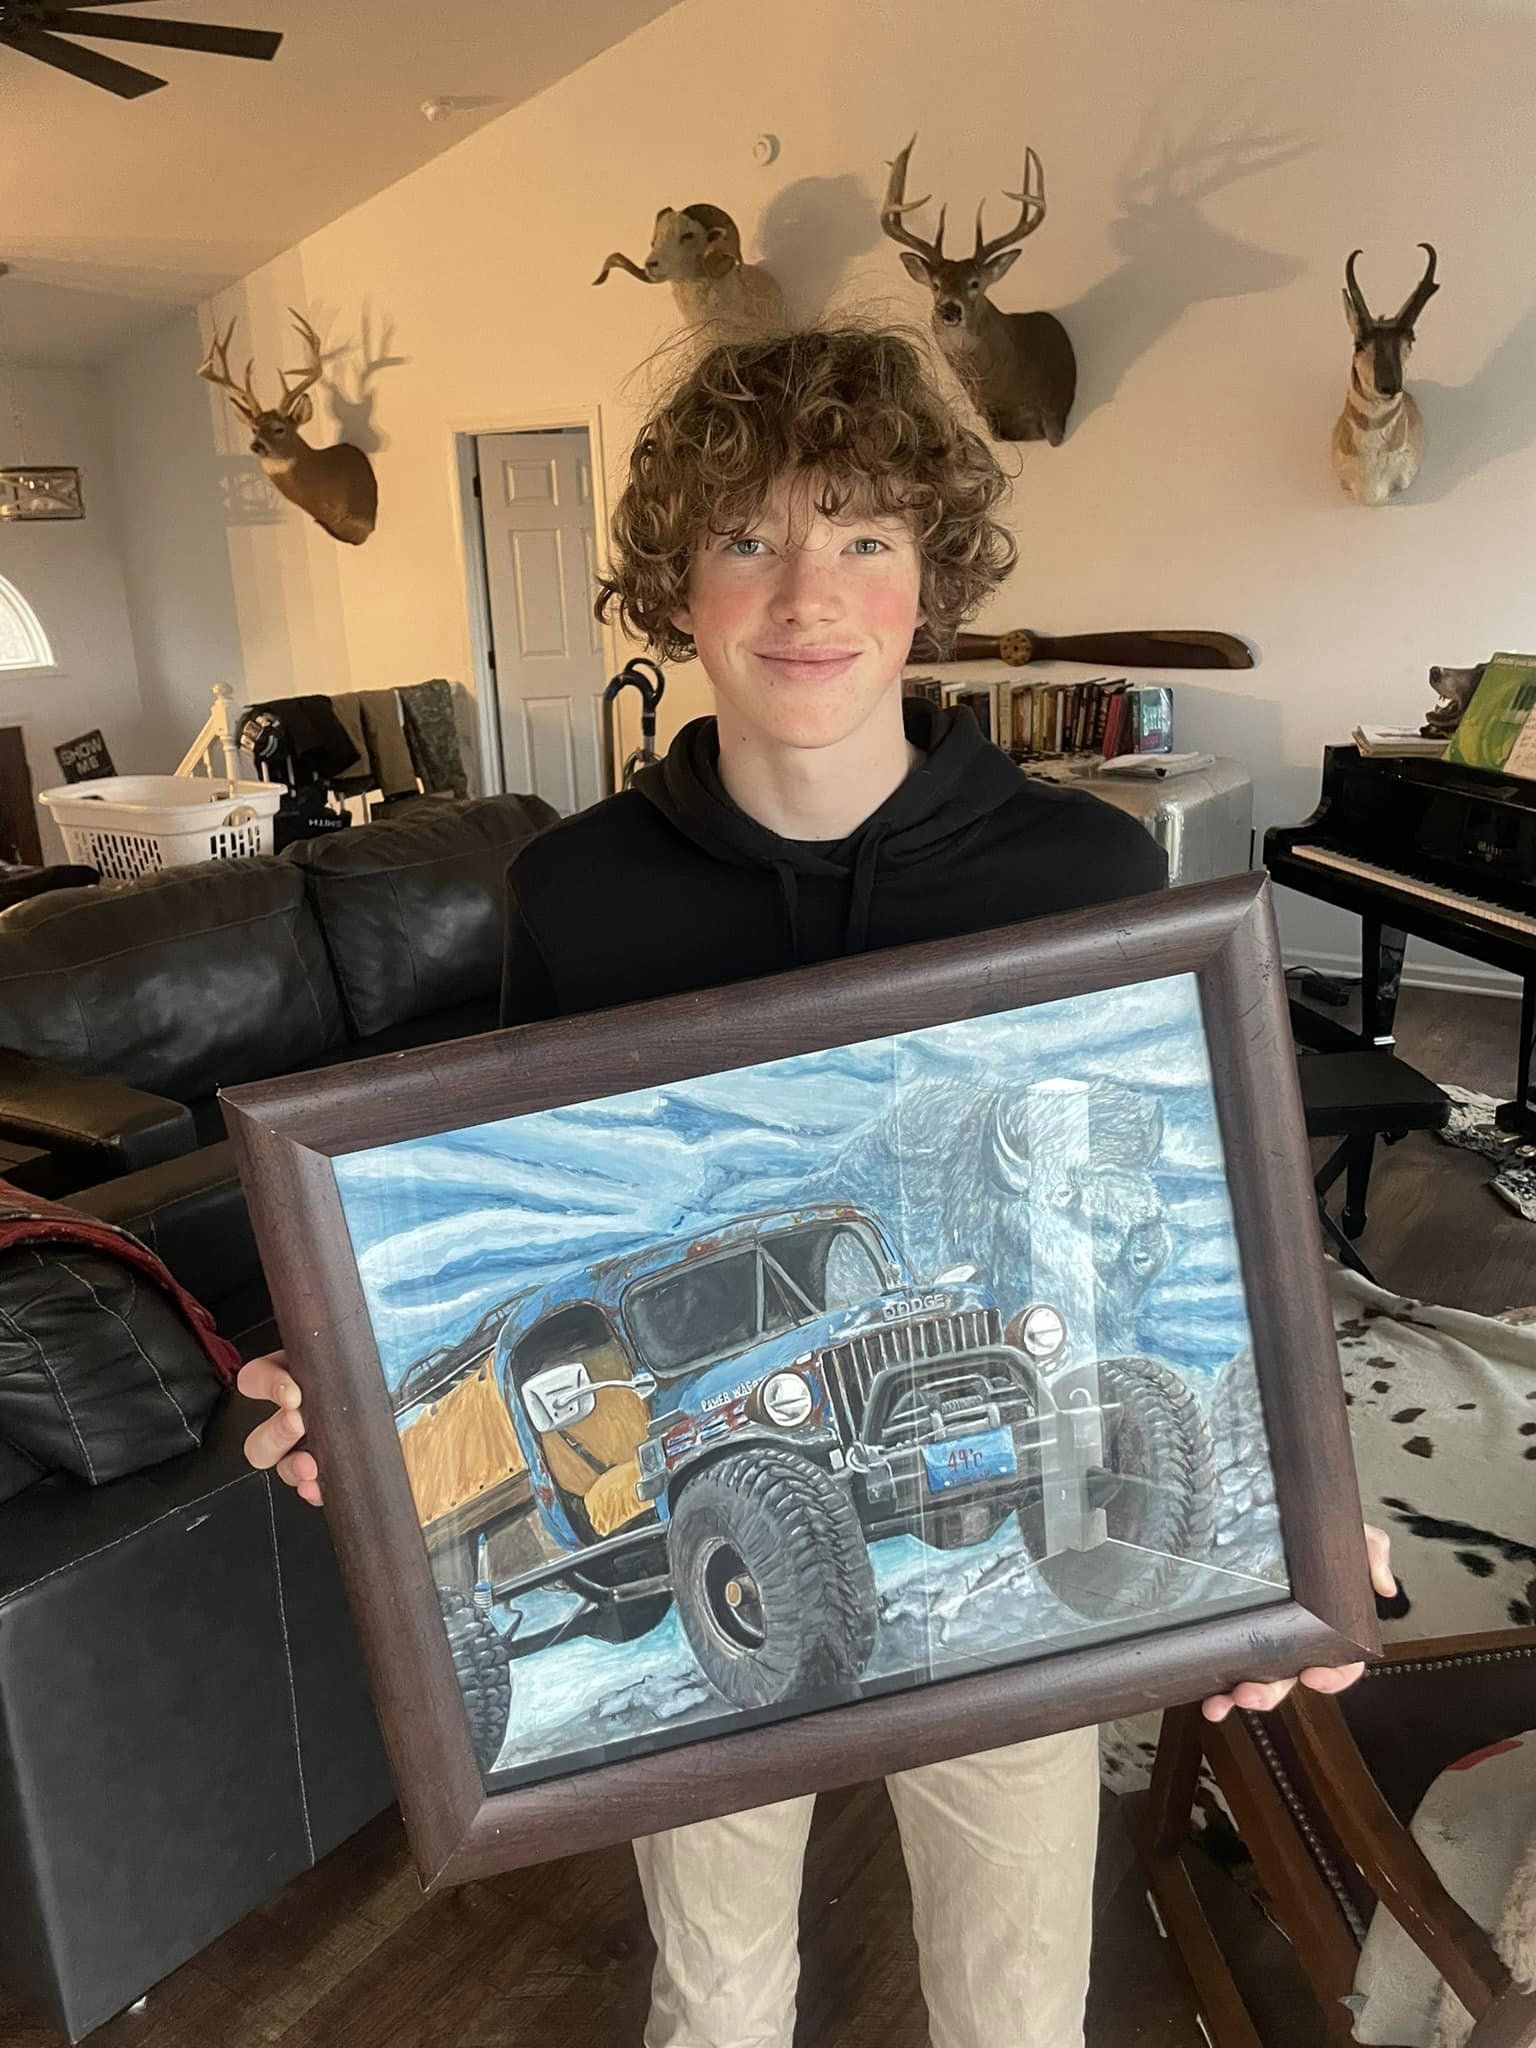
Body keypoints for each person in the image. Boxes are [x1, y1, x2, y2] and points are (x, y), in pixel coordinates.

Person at [239, 325, 1395, 2048]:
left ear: (933, 578)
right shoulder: (578, 894)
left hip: (999, 1599)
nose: (808, 595)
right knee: (717, 1987)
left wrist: (1296, 1511)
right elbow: (454, 1157)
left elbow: (1236, 1203)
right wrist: (338, 1369)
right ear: (674, 588)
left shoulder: (1085, 868)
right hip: (719, 1546)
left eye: (863, 534)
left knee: (1020, 1992)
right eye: (747, 539)